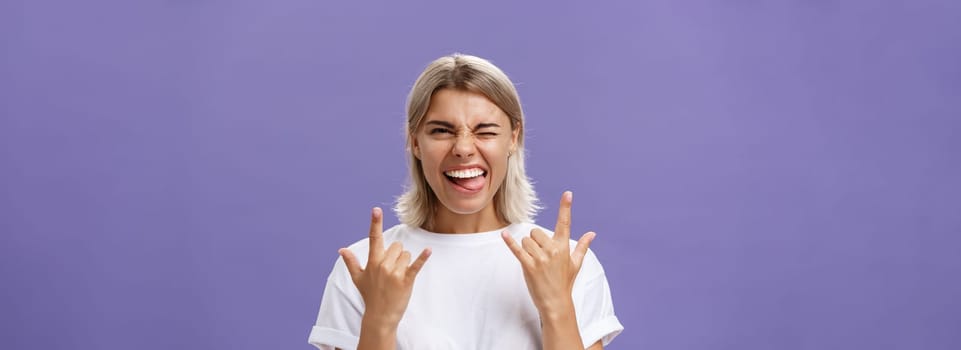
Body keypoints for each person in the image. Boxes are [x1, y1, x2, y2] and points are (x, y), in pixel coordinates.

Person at [307, 54, 623, 350]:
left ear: (513, 138)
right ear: (415, 141)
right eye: (442, 131)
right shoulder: (368, 268)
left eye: (484, 131)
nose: (463, 148)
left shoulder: (564, 264)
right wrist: (379, 321)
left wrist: (557, 307)